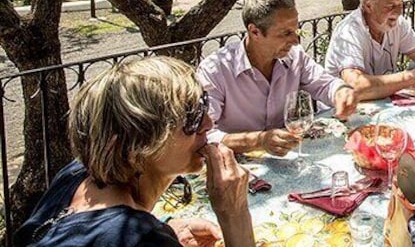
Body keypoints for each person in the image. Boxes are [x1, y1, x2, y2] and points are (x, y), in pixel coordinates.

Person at [16, 57, 255, 247]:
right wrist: (233, 214)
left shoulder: (78, 173)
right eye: (191, 118)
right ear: (137, 147)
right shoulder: (142, 239)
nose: (208, 124)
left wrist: (168, 228)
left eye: (204, 106)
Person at [198, 0, 358, 155]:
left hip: (288, 158)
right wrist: (258, 141)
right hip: (237, 168)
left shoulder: (294, 57)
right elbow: (202, 136)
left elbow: (325, 85)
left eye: (296, 31)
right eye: (286, 33)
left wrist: (341, 91)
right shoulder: (216, 71)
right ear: (255, 32)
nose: (296, 41)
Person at [325, 0, 415, 100]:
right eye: (390, 6)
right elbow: (357, 86)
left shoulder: (398, 23)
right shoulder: (348, 32)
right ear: (368, 6)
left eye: (400, 5)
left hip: (381, 105)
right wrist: (414, 76)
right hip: (340, 111)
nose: (398, 12)